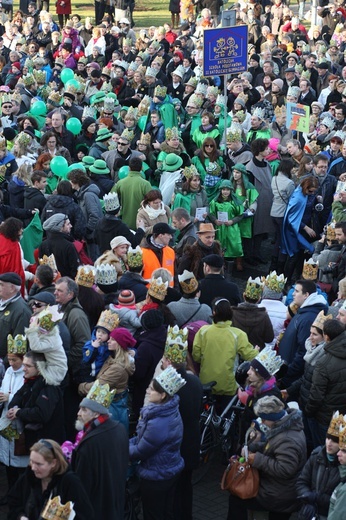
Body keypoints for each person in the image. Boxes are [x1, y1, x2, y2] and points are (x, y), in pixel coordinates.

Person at [226, 395, 306, 520]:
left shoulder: (288, 439)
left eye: (264, 419)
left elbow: (285, 469)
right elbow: (274, 446)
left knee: (236, 499)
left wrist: (256, 459)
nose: (261, 422)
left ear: (273, 418)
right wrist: (254, 447)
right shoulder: (285, 428)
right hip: (279, 490)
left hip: (279, 496)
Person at [129, 366, 186, 520]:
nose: (148, 391)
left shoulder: (158, 422)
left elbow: (141, 450)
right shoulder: (170, 410)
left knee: (153, 515)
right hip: (169, 471)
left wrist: (121, 448)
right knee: (166, 513)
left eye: (152, 389)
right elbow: (142, 439)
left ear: (162, 395)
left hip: (157, 477)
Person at [71, 380, 129, 520]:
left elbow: (82, 485)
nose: (78, 413)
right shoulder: (119, 428)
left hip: (96, 507)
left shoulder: (89, 443)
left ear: (96, 414)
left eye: (84, 410)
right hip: (116, 500)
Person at [8, 439, 94, 520]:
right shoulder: (29, 476)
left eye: (39, 464)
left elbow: (84, 515)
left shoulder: (70, 482)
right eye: (31, 461)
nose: (33, 467)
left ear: (53, 463)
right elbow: (13, 502)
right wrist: (21, 516)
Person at [192, 298, 258, 405]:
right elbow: (249, 356)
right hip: (228, 385)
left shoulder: (203, 331)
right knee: (226, 417)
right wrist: (256, 351)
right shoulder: (238, 335)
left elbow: (196, 357)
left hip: (206, 383)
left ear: (214, 312)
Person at [79, 327, 135, 431]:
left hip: (113, 407)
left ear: (120, 345)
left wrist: (80, 387)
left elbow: (99, 386)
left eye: (113, 339)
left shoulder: (118, 368)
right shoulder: (112, 358)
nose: (108, 340)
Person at [6, 351, 65, 450]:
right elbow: (17, 399)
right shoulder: (30, 381)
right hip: (34, 442)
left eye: (28, 366)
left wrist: (19, 412)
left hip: (47, 445)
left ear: (39, 368)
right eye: (24, 365)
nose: (24, 369)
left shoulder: (49, 386)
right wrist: (13, 409)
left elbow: (41, 414)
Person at [279, 280, 328, 389]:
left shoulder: (308, 318)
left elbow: (303, 352)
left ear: (306, 295)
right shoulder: (305, 311)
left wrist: (287, 377)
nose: (293, 293)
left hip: (291, 378)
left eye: (297, 291)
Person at [305, 319, 346, 448]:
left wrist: (308, 411)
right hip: (342, 414)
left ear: (326, 336)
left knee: (322, 449)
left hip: (324, 417)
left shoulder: (324, 363)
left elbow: (316, 395)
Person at [296, 411, 341, 520]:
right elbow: (301, 481)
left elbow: (340, 501)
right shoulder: (316, 455)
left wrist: (316, 498)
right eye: (328, 438)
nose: (329, 443)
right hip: (309, 512)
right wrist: (306, 496)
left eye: (335, 441)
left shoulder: (343, 466)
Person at [0, 334, 27, 502]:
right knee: (8, 461)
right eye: (9, 359)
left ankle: (21, 497)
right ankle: (10, 494)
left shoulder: (27, 374)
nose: (11, 363)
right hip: (5, 420)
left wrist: (8, 398)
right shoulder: (9, 371)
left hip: (19, 422)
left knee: (19, 461)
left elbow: (24, 397)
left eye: (14, 360)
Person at [282, 176, 320, 285]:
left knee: (299, 255)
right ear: (305, 187)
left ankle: (292, 279)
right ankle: (286, 281)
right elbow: (291, 219)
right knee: (293, 255)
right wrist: (305, 227)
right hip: (294, 231)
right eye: (311, 191)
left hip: (300, 228)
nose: (312, 193)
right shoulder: (298, 198)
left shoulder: (303, 193)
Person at [231, 276, 274, 350]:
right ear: (259, 299)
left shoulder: (232, 313)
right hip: (256, 353)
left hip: (236, 351)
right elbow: (269, 338)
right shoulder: (264, 316)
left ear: (244, 296)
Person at [39, 213, 81, 279]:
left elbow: (41, 269)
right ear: (60, 227)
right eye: (68, 224)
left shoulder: (43, 245)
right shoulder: (69, 246)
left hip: (49, 285)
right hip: (66, 285)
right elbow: (76, 271)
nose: (71, 226)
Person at [0, 272, 32, 359]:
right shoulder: (2, 301)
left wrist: (5, 362)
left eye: (1, 285)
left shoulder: (22, 311)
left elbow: (19, 344)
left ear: (12, 288)